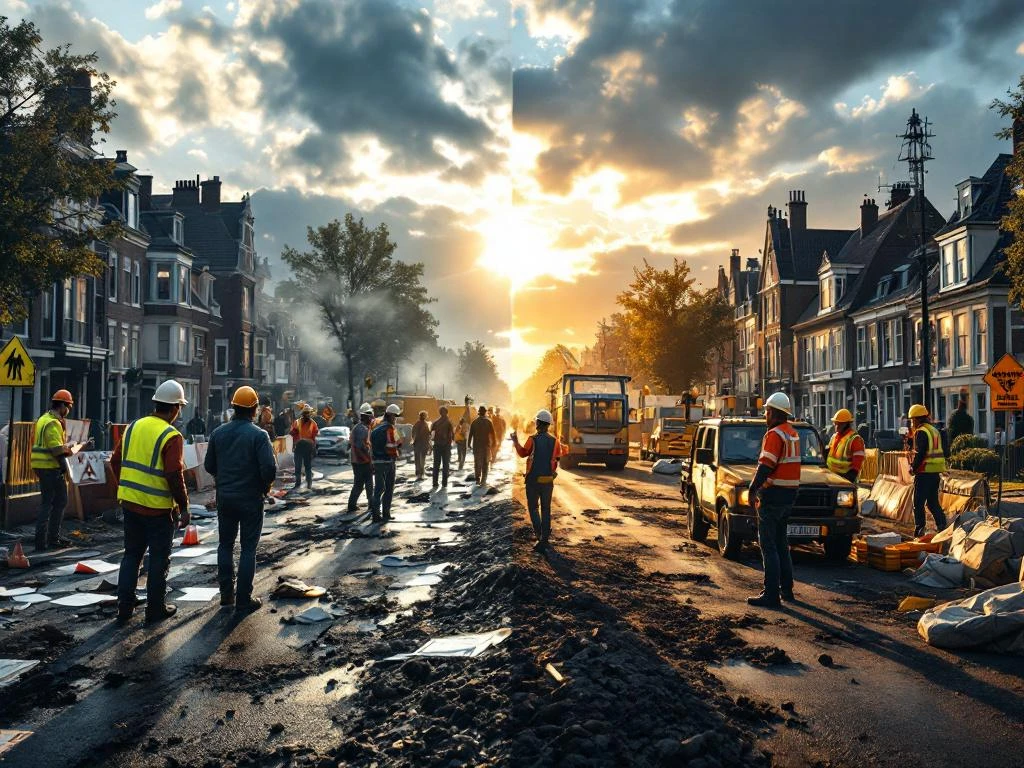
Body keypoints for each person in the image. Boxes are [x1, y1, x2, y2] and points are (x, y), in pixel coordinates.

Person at [112, 380, 191, 624]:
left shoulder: (134, 427)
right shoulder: (171, 435)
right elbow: (173, 474)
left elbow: (115, 462)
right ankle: (154, 609)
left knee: (132, 555)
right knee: (158, 559)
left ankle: (124, 607)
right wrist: (184, 506)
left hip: (130, 506)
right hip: (158, 511)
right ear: (175, 408)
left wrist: (126, 488)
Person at [204, 386, 277, 613]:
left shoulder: (218, 433)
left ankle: (227, 595)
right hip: (251, 499)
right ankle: (244, 598)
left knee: (225, 545)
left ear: (234, 407)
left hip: (225, 498)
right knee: (247, 549)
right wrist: (264, 486)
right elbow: (269, 469)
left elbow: (209, 466)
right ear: (254, 409)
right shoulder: (259, 435)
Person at [746, 392, 801, 609]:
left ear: (774, 412)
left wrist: (752, 489)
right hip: (789, 496)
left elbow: (766, 465)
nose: (765, 415)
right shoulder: (792, 433)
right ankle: (786, 590)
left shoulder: (774, 435)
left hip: (773, 496)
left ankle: (771, 594)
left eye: (767, 411)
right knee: (781, 544)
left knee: (768, 545)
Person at [512, 409, 567, 551]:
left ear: (538, 423)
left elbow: (523, 453)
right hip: (548, 480)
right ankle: (545, 538)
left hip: (533, 480)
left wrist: (515, 441)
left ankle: (539, 536)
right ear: (548, 425)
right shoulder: (555, 441)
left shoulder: (533, 439)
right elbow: (560, 455)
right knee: (546, 509)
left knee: (533, 507)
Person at [30, 389, 76, 551]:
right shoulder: (53, 422)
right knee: (57, 502)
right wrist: (65, 468)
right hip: (50, 467)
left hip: (42, 466)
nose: (68, 410)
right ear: (62, 405)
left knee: (49, 502)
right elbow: (56, 449)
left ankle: (46, 539)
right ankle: (48, 540)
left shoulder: (43, 419)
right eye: (68, 406)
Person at [909, 404, 948, 538]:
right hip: (935, 473)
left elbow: (920, 452)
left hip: (924, 472)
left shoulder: (921, 431)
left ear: (917, 419)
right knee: (932, 502)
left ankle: (919, 530)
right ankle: (942, 525)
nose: (912, 423)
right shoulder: (934, 430)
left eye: (912, 420)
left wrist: (913, 467)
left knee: (918, 503)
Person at [370, 404, 403, 522]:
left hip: (377, 462)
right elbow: (397, 443)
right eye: (395, 417)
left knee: (378, 489)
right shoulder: (391, 429)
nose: (395, 419)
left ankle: (375, 515)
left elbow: (371, 446)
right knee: (388, 489)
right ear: (391, 416)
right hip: (388, 462)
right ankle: (386, 514)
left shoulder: (375, 429)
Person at [826, 409, 866, 483]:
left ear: (845, 424)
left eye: (838, 423)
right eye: (835, 423)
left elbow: (857, 466)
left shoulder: (855, 439)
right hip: (831, 478)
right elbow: (828, 454)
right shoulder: (834, 437)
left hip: (845, 480)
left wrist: (847, 480)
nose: (835, 425)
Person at [348, 403, 375, 513]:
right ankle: (353, 505)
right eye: (370, 417)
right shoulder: (361, 429)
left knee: (366, 484)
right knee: (361, 484)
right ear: (365, 417)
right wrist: (370, 458)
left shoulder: (365, 428)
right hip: (361, 461)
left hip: (362, 461)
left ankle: (369, 504)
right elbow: (362, 447)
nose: (372, 419)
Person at [290, 405, 319, 490]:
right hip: (299, 446)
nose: (307, 414)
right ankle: (298, 483)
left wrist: (314, 448)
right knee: (298, 466)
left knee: (308, 467)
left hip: (308, 447)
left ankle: (309, 483)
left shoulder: (313, 423)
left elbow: (315, 437)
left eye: (308, 413)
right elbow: (292, 433)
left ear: (310, 413)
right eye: (305, 413)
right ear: (302, 414)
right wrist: (293, 434)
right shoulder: (297, 422)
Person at [468, 405, 496, 486]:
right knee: (485, 463)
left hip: (476, 447)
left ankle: (477, 479)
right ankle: (483, 480)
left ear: (479, 413)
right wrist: (494, 443)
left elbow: (470, 434)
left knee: (477, 463)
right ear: (485, 412)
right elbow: (493, 434)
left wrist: (469, 444)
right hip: (486, 446)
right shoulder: (488, 422)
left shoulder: (474, 422)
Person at [430, 405, 455, 489]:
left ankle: (435, 483)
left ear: (439, 413)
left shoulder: (435, 423)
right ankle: (444, 483)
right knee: (445, 465)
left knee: (436, 465)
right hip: (446, 447)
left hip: (437, 446)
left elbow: (431, 435)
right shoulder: (449, 422)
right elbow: (453, 435)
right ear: (447, 413)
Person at [412, 410, 431, 481]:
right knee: (422, 460)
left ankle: (418, 475)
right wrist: (429, 445)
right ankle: (421, 474)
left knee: (417, 460)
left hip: (417, 445)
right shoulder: (425, 424)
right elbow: (428, 435)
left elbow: (413, 434)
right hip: (423, 445)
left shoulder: (416, 424)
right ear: (424, 416)